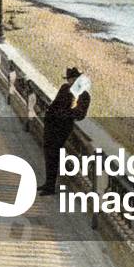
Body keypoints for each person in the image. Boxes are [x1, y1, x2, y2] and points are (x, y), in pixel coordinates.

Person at [37, 67, 91, 196]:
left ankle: (50, 186)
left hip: (63, 128)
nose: (71, 81)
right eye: (70, 79)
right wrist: (49, 116)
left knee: (54, 154)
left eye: (73, 79)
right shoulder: (64, 88)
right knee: (48, 154)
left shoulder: (83, 95)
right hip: (51, 125)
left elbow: (80, 114)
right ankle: (48, 183)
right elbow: (54, 104)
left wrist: (63, 114)